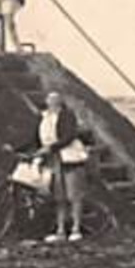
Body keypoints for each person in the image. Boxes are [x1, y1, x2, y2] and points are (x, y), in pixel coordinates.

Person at [33, 91, 88, 242]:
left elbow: (69, 136)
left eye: (55, 100)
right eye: (49, 99)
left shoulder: (67, 116)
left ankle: (76, 228)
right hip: (53, 159)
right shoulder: (43, 117)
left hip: (70, 157)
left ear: (60, 101)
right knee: (59, 196)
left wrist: (52, 147)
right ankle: (60, 230)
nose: (52, 102)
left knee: (74, 195)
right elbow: (36, 138)